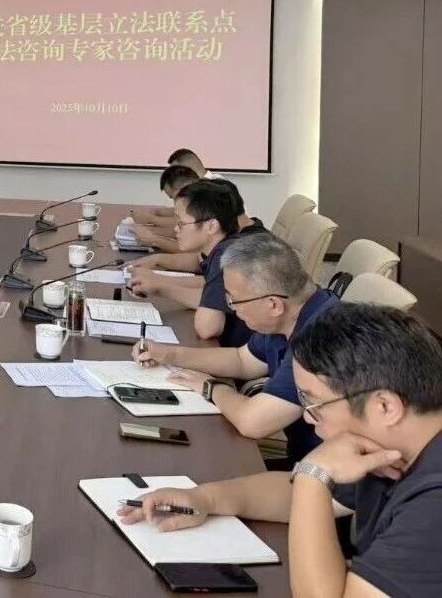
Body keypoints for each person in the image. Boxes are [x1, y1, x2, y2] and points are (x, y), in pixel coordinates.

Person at [119, 304, 442, 597]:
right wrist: (206, 498)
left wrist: (313, 474)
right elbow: (299, 497)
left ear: (385, 406)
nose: (307, 417)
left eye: (314, 404)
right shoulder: (393, 445)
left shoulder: (436, 505)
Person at [133, 232, 339, 464]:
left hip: (327, 475)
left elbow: (253, 422)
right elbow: (243, 360)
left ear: (273, 305)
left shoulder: (320, 341)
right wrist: (169, 353)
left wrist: (211, 387)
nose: (233, 309)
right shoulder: (293, 314)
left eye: (234, 301)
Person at [128, 179, 250, 344]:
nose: (176, 229)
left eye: (181, 223)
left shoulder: (227, 257)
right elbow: (211, 299)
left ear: (211, 226)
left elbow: (207, 328)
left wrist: (162, 287)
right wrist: (159, 286)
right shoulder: (224, 248)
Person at [130, 164, 201, 253]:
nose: (175, 203)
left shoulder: (206, 208)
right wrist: (145, 231)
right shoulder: (196, 202)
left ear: (186, 187)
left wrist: (154, 239)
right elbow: (178, 231)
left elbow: (193, 251)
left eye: (175, 197)